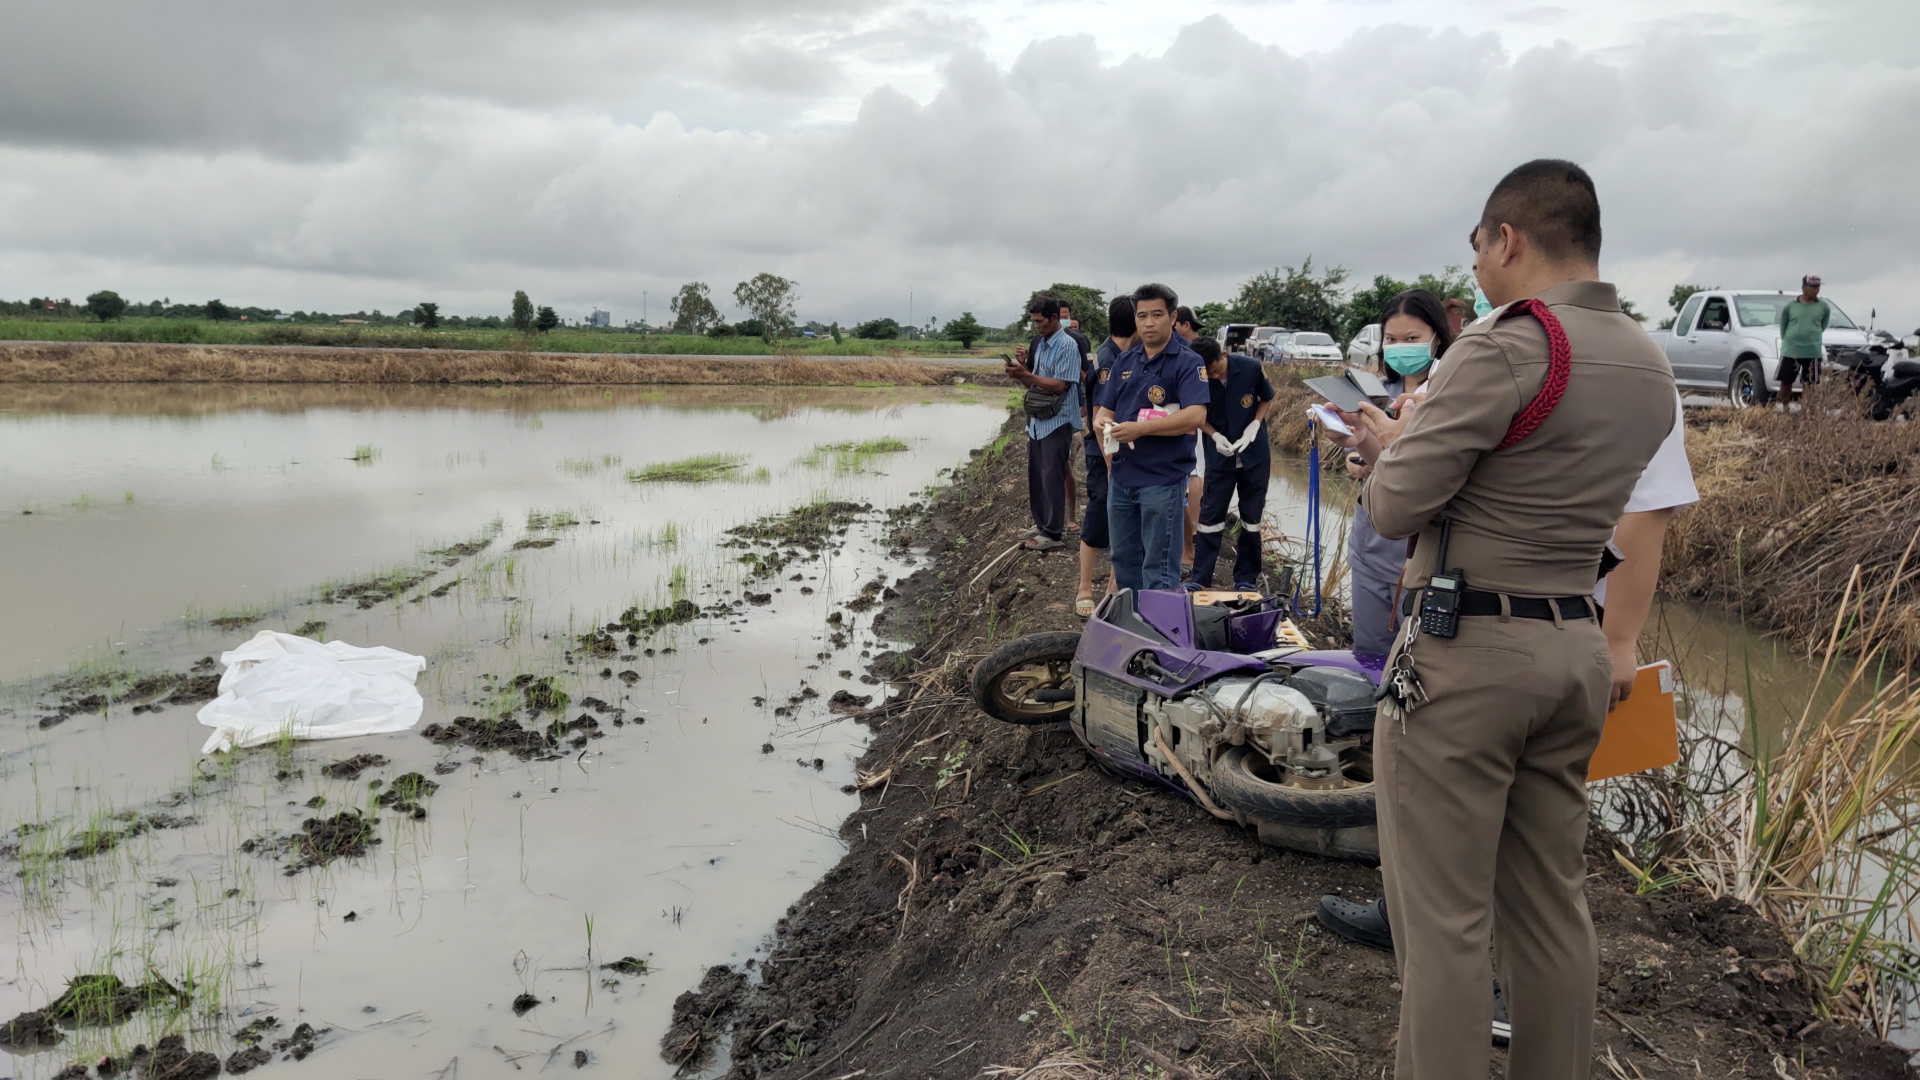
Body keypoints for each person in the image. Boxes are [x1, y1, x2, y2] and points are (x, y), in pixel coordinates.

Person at [1336, 159, 1675, 1080]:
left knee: (1443, 923)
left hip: (1467, 654)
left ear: (1510, 239)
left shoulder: (1502, 346)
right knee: (1551, 908)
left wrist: (1390, 447)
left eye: (1479, 247)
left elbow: (1399, 506)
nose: (1477, 269)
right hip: (1573, 644)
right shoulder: (1649, 361)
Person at [1316, 386, 1699, 1040]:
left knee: (1494, 850)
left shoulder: (1562, 370)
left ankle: (1488, 1003)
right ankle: (1483, 990)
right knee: (1501, 846)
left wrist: (1620, 636)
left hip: (1520, 633)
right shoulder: (1602, 368)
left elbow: (1645, 511)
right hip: (1529, 625)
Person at [1344, 290, 1454, 656]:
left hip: (1421, 555)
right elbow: (1372, 458)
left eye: (1412, 339)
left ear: (1437, 339)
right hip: (1370, 546)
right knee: (1371, 656)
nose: (1400, 347)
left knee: (1419, 662)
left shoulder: (1449, 398)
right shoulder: (1375, 394)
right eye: (1391, 340)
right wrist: (1360, 452)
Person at [1092, 284, 1208, 593]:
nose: (1148, 323)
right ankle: (1134, 631)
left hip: (1162, 479)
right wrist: (1101, 421)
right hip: (1122, 477)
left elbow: (1196, 415)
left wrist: (1140, 429)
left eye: (1156, 315)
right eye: (1141, 316)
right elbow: (1104, 410)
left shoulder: (1187, 362)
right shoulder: (1125, 361)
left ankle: (1160, 634)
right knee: (1124, 561)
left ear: (1172, 318)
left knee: (1157, 569)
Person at [1189, 336, 1275, 590]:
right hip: (1219, 458)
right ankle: (1200, 578)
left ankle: (1246, 579)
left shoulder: (1250, 367)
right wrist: (1213, 434)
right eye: (1209, 374)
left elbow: (1266, 398)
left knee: (1251, 518)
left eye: (1217, 370)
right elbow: (1196, 413)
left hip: (1254, 456)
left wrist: (1255, 424)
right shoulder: (1197, 375)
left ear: (1223, 355)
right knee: (1210, 517)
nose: (1215, 377)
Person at [1005, 296, 1082, 551]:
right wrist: (1021, 371)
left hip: (1057, 421)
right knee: (1037, 476)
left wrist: (1027, 374)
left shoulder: (1067, 345)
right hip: (1038, 422)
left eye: (1040, 322)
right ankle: (1042, 524)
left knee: (1052, 476)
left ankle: (1053, 533)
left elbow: (1061, 384)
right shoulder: (1041, 342)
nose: (1037, 327)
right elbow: (1034, 382)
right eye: (1034, 322)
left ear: (1054, 319)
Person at [1076, 296, 1135, 617]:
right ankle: (1085, 587)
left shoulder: (1127, 355)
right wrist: (1112, 466)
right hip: (1105, 453)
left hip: (1125, 448)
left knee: (1124, 522)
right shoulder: (1108, 361)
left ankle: (1114, 588)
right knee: (1099, 518)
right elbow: (1100, 421)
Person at [1054, 301, 1095, 527]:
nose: (1064, 321)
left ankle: (1069, 518)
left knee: (1067, 464)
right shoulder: (1041, 342)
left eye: (1066, 316)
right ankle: (1053, 518)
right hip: (1049, 416)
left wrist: (1086, 407)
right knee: (1055, 467)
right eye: (1060, 316)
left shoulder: (1078, 341)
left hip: (1072, 412)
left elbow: (1089, 378)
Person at [1172, 307, 1203, 574]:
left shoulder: (1187, 354)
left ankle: (1190, 541)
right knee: (1192, 474)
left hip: (1186, 424)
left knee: (1191, 476)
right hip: (1191, 423)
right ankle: (1192, 537)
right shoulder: (1191, 352)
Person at [1775, 274, 1829, 413]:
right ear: (1804, 287)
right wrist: (1788, 341)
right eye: (1812, 287)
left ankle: (1806, 410)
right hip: (1791, 350)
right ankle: (1785, 408)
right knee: (1786, 382)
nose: (1815, 290)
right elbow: (1783, 325)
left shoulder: (1823, 307)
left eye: (1817, 287)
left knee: (1809, 383)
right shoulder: (1791, 306)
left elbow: (1823, 325)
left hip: (1812, 352)